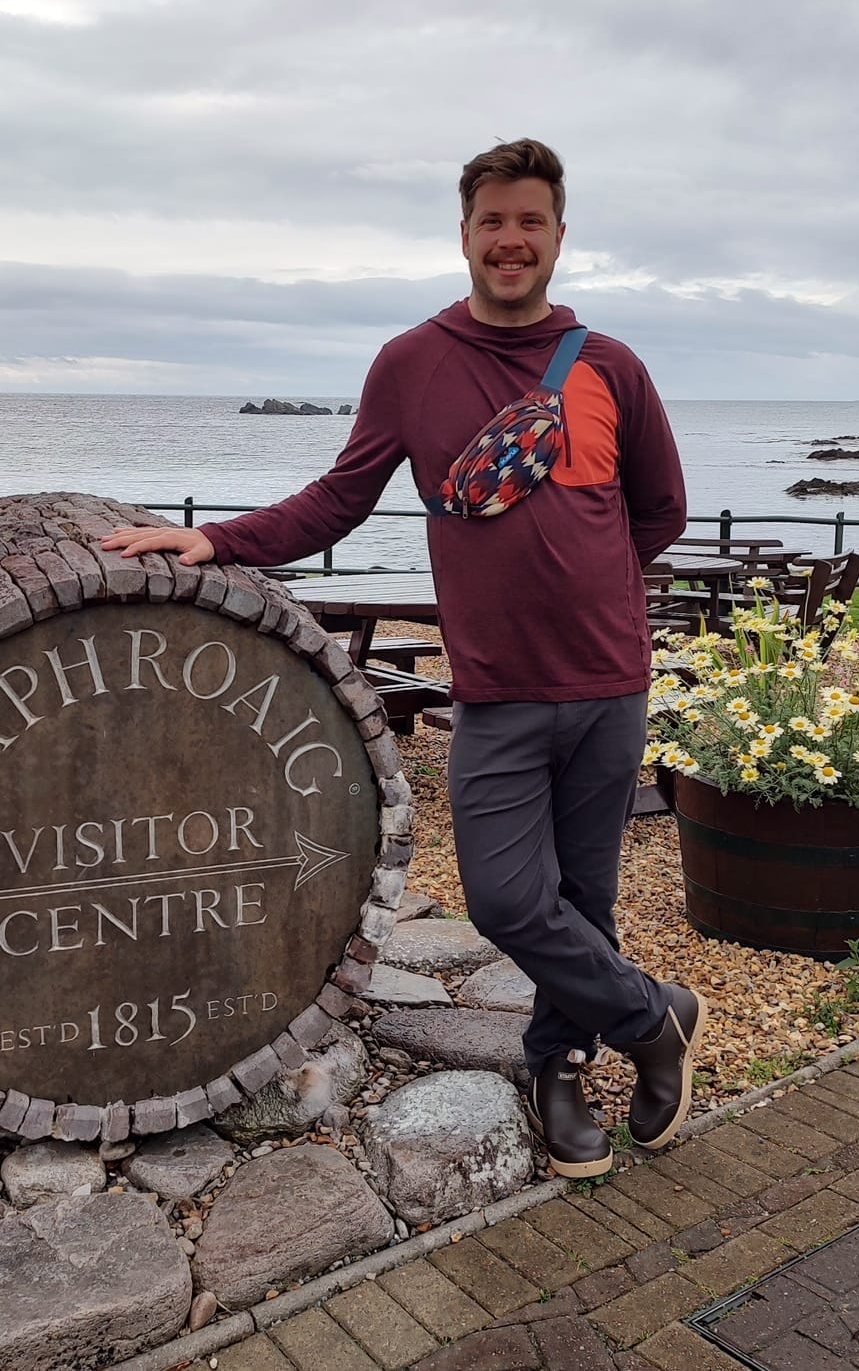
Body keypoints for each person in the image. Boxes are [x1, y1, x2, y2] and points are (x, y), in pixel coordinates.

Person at [102, 139, 704, 1178]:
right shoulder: (412, 361)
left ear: (559, 235)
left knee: (584, 899)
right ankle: (653, 1019)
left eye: (530, 221)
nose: (510, 240)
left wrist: (586, 586)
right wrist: (215, 539)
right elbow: (341, 497)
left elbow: (658, 512)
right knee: (508, 899)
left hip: (608, 683)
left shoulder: (611, 367)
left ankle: (554, 1067)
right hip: (497, 687)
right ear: (463, 235)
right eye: (491, 222)